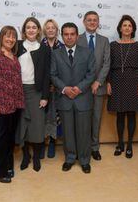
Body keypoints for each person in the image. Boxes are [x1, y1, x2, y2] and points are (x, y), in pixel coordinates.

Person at [51, 22, 96, 173]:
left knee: (84, 132)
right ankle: (70, 158)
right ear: (62, 36)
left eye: (72, 34)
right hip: (65, 99)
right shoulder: (55, 53)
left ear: (77, 35)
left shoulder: (88, 52)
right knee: (68, 132)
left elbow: (91, 74)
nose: (69, 37)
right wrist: (64, 89)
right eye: (66, 34)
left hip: (83, 98)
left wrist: (78, 88)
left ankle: (84, 160)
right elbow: (53, 75)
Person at [0, 26, 25, 183]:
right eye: (7, 36)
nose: (10, 39)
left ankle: (8, 165)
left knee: (10, 137)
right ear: (1, 37)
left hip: (15, 103)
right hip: (2, 103)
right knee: (3, 138)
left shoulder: (14, 56)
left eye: (13, 37)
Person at [107, 15, 138, 158]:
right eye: (124, 25)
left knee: (131, 113)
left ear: (133, 29)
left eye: (129, 25)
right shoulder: (112, 45)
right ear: (120, 28)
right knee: (120, 114)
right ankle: (120, 143)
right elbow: (108, 66)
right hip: (116, 81)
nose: (127, 28)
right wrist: (108, 82)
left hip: (133, 81)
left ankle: (129, 144)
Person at [17, 17, 51, 172]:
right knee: (22, 125)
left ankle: (36, 157)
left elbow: (46, 75)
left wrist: (45, 96)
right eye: (28, 27)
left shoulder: (44, 49)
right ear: (24, 31)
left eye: (34, 27)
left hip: (36, 92)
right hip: (18, 92)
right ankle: (25, 156)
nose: (31, 30)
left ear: (38, 30)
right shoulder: (16, 46)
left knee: (37, 126)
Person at [77, 11, 110, 161]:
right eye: (89, 20)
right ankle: (81, 147)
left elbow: (106, 63)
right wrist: (84, 84)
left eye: (95, 20)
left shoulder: (104, 40)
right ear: (84, 22)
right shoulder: (77, 39)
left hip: (99, 87)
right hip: (81, 88)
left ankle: (94, 147)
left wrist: (98, 81)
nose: (92, 22)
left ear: (98, 22)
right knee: (82, 119)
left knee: (96, 118)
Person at [41, 19, 64, 159]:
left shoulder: (62, 46)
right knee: (42, 116)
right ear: (44, 30)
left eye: (53, 28)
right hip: (42, 88)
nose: (50, 30)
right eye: (48, 28)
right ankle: (42, 142)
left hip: (57, 88)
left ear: (57, 30)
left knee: (55, 116)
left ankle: (52, 143)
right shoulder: (38, 45)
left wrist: (56, 84)